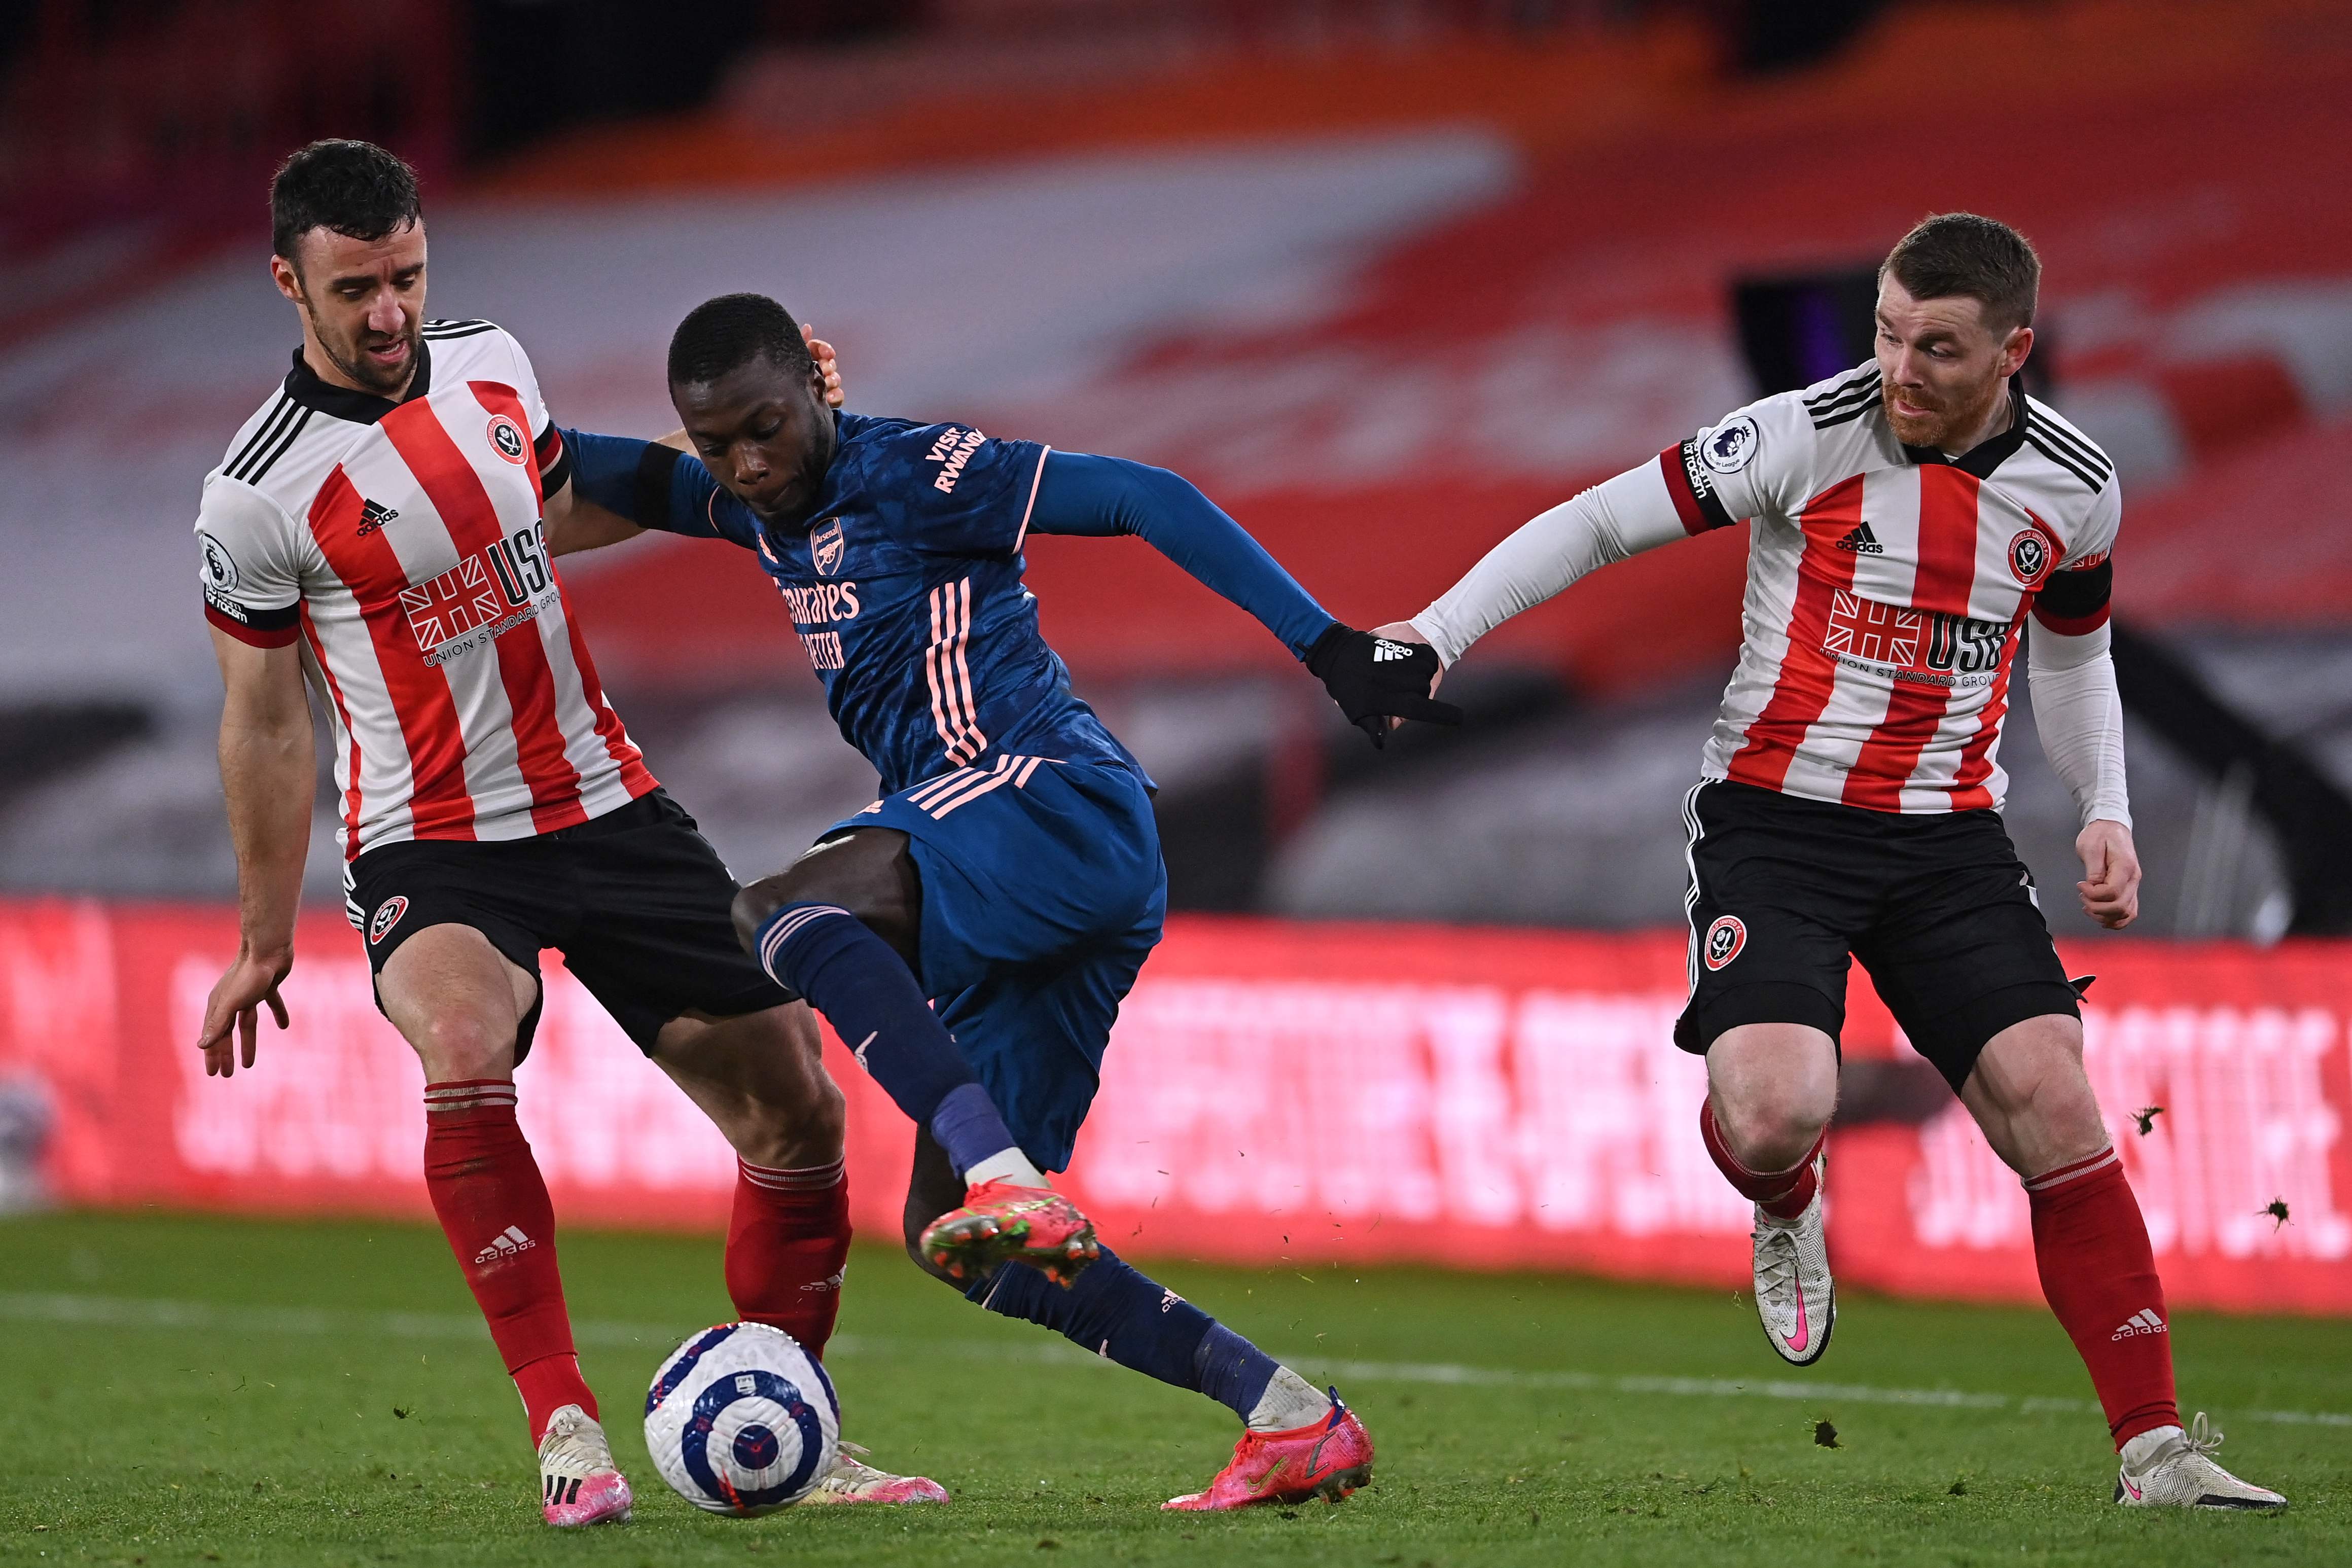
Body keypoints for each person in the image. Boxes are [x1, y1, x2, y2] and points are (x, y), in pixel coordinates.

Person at [1376, 213, 2284, 1511]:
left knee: (2054, 1092)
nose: (1901, 368)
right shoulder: (1801, 434)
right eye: (1887, 331)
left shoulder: (2077, 484)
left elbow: (2075, 653)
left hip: (1947, 838)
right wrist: (1439, 631)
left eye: (1939, 346)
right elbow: (1593, 524)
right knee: (1775, 1106)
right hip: (1778, 820)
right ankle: (1785, 1192)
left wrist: (2109, 807)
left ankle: (2155, 1450)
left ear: (2015, 349)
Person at [556, 293, 1454, 1508]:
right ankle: (1287, 1415)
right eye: (716, 444)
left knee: (779, 911)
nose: (746, 462)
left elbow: (1149, 495)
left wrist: (1328, 644)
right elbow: (552, 459)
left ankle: (1005, 1167)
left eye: (765, 426)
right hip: (1017, 869)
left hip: (1052, 801)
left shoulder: (923, 471)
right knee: (956, 1243)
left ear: (816, 387)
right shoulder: (744, 504)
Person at [191, 140, 944, 1529]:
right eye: (355, 287)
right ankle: (565, 1427)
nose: (389, 313)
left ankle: (793, 1415)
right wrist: (258, 933)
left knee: (798, 1106)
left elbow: (559, 504)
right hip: (432, 840)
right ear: (287, 282)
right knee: (464, 1041)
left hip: (606, 799)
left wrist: (762, 457)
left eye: (407, 276)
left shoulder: (493, 364)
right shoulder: (256, 493)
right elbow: (266, 720)